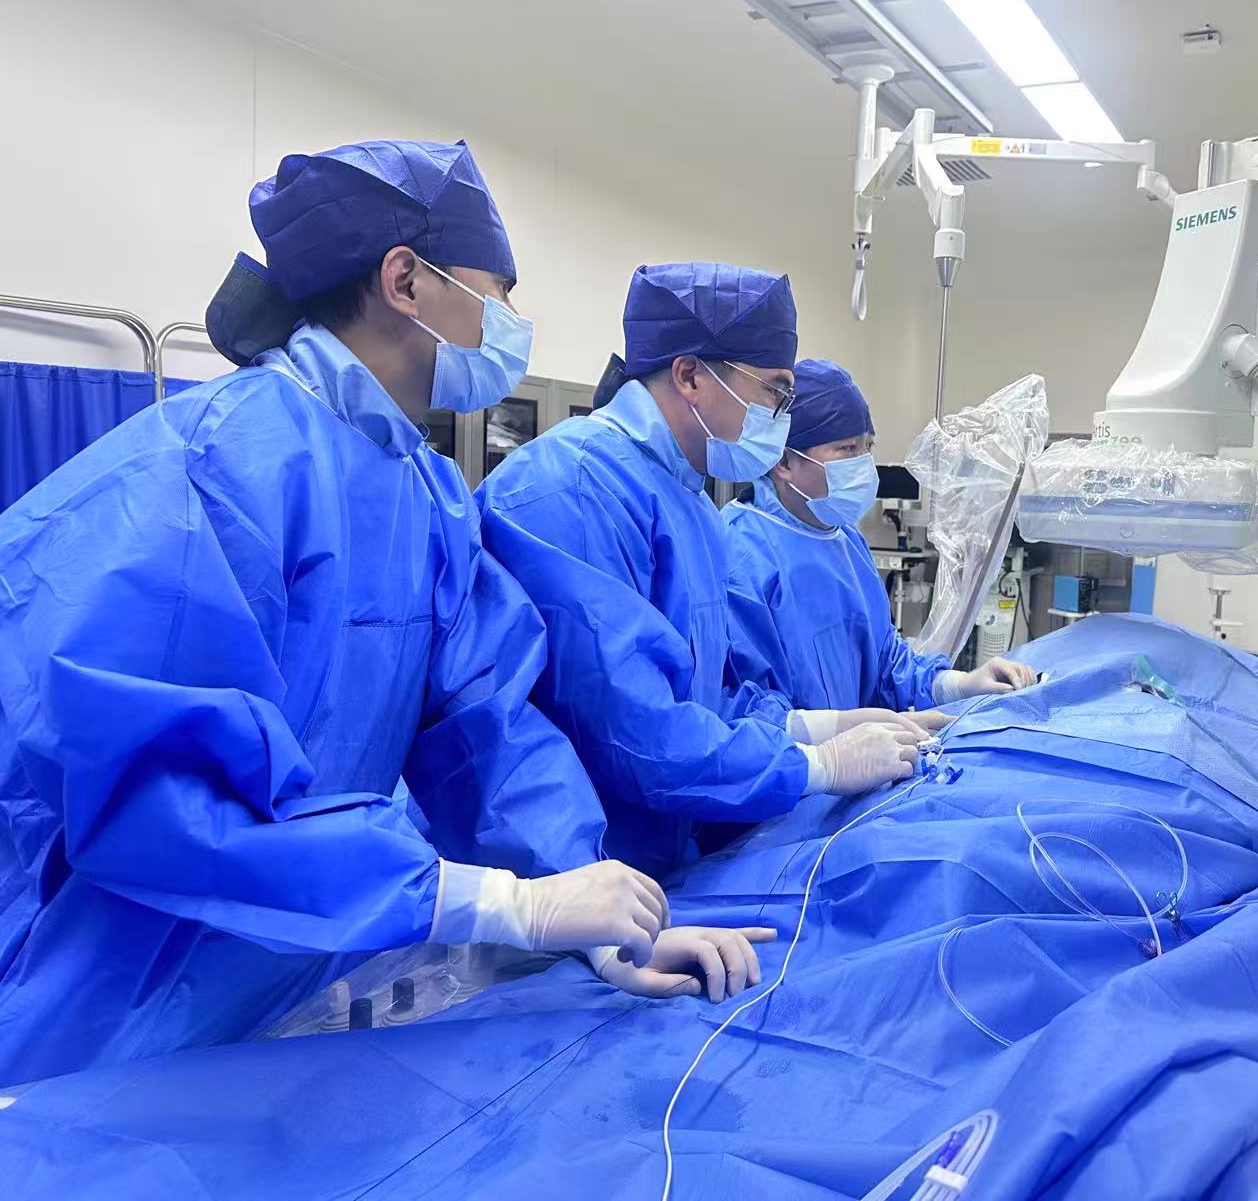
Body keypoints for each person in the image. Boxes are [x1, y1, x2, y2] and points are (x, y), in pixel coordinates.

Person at [0, 142, 768, 1087]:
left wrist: (594, 912)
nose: (511, 323)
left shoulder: (425, 493)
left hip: (279, 987)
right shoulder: (214, 468)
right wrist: (493, 904)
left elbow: (487, 725)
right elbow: (164, 802)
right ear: (406, 280)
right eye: (500, 292)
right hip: (91, 1013)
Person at [478, 263, 940, 876]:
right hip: (560, 870)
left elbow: (706, 693)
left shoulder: (688, 501)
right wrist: (817, 765)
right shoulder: (574, 487)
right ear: (691, 375)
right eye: (775, 392)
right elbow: (635, 731)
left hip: (650, 856)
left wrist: (816, 725)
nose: (781, 415)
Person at [724, 359, 1036, 714]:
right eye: (848, 449)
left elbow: (886, 663)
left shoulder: (846, 542)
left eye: (868, 447)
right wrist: (831, 741)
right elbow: (740, 706)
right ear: (784, 462)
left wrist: (957, 684)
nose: (864, 463)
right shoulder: (740, 554)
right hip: (789, 751)